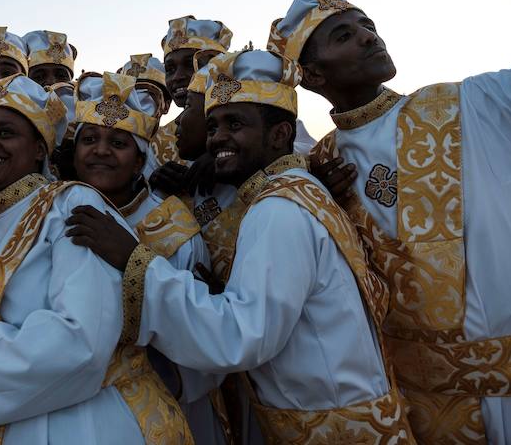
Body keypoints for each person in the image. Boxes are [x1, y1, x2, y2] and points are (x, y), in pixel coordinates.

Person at [68, 49, 415, 443]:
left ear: (281, 135)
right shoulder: (297, 192)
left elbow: (239, 337)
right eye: (213, 125)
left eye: (235, 124)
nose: (217, 139)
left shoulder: (279, 210)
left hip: (330, 428)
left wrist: (133, 261)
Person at [0, 74, 193, 443]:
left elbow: (81, 342)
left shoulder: (72, 205)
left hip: (90, 427)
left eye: (5, 133)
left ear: (40, 149)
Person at [269, 0, 511, 444]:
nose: (368, 36)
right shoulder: (318, 169)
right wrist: (320, 203)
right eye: (344, 35)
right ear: (312, 76)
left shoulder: (471, 105)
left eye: (368, 25)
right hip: (421, 408)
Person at [73, 71, 224, 444]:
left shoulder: (175, 228)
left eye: (118, 142)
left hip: (162, 405)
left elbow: (205, 325)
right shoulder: (57, 213)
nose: (101, 151)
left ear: (141, 160)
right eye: (89, 139)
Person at [150, 16, 232, 195]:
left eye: (190, 65)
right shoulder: (158, 141)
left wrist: (223, 154)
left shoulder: (256, 119)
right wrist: (154, 181)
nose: (177, 76)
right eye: (170, 69)